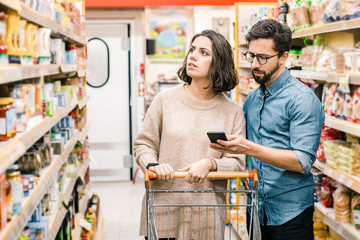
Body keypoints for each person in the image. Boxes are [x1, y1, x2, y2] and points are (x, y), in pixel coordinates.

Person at [210, 19, 325, 240]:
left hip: (290, 213)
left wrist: (249, 149)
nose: (254, 64)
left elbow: (302, 162)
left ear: (283, 57)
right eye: (251, 56)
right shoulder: (252, 99)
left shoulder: (302, 100)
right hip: (255, 207)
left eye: (263, 58)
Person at [134, 30, 246, 239]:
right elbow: (143, 145)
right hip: (164, 211)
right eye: (192, 50)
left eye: (204, 52)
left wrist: (210, 164)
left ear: (219, 63)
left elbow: (237, 163)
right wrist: (153, 165)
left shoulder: (232, 111)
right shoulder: (165, 100)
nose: (193, 56)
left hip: (206, 216)